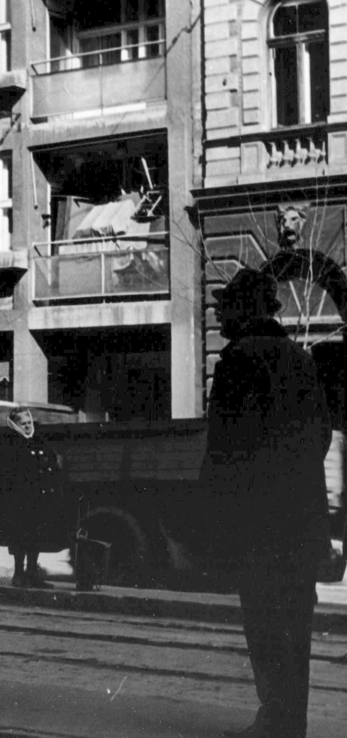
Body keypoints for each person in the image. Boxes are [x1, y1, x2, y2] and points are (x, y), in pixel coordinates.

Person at [202, 268, 332, 738]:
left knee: (263, 626)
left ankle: (273, 721)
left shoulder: (237, 359)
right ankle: (289, 724)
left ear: (245, 309)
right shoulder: (301, 358)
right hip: (301, 522)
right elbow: (320, 435)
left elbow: (223, 449)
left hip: (259, 527)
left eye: (225, 306)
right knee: (296, 631)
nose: (218, 314)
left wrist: (213, 520)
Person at [0, 407, 68, 588]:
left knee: (36, 537)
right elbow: (0, 472)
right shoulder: (8, 443)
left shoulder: (38, 441)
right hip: (18, 501)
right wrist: (13, 492)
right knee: (20, 537)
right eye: (23, 423)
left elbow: (52, 464)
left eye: (29, 423)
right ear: (14, 424)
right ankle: (19, 574)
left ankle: (32, 573)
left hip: (39, 500)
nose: (27, 426)